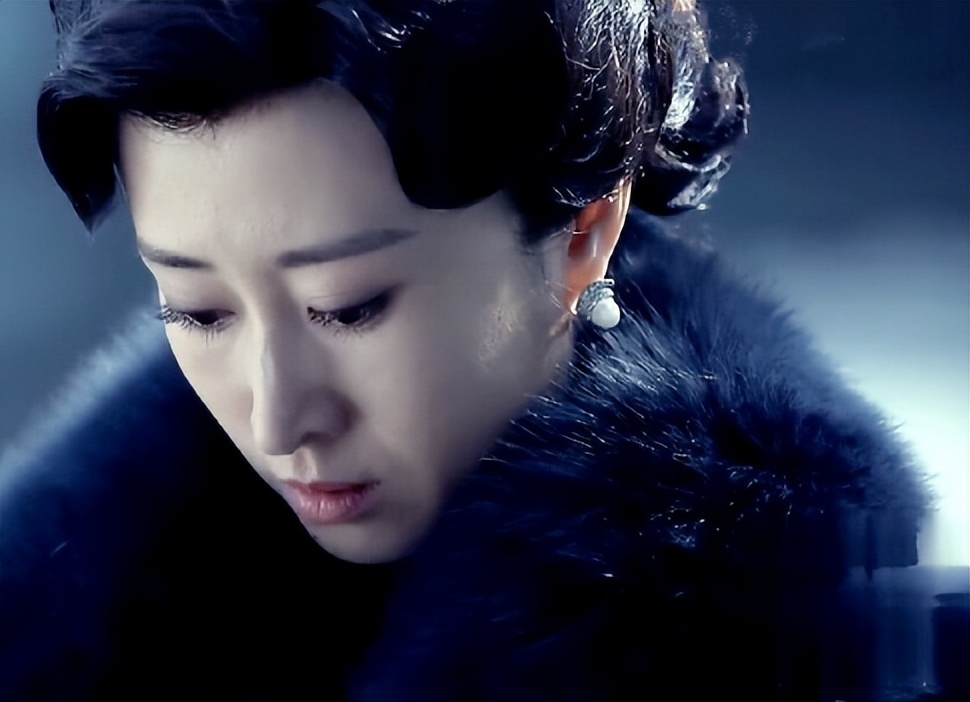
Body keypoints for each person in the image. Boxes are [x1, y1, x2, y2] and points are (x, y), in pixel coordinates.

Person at [0, 0, 927, 699]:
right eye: (199, 312)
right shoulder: (91, 592)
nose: (278, 419)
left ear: (581, 237)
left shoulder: (795, 633)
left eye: (348, 307)